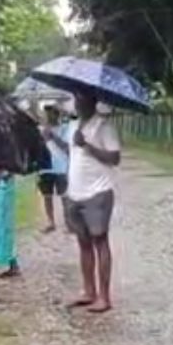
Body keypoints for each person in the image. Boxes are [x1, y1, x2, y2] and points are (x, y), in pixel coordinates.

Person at [64, 91, 121, 314]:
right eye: (76, 99)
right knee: (83, 242)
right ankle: (89, 291)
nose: (77, 103)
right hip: (75, 192)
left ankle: (104, 297)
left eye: (81, 99)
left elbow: (115, 158)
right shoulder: (73, 126)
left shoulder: (104, 127)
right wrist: (53, 139)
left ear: (92, 101)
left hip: (98, 192)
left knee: (100, 242)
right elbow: (73, 153)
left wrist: (87, 145)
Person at [37, 105, 71, 233]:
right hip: (45, 167)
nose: (49, 116)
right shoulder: (40, 130)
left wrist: (52, 136)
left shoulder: (65, 128)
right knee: (47, 196)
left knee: (64, 196)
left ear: (57, 114)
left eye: (51, 113)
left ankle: (68, 223)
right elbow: (36, 148)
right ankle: (50, 222)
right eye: (46, 113)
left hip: (61, 167)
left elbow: (67, 148)